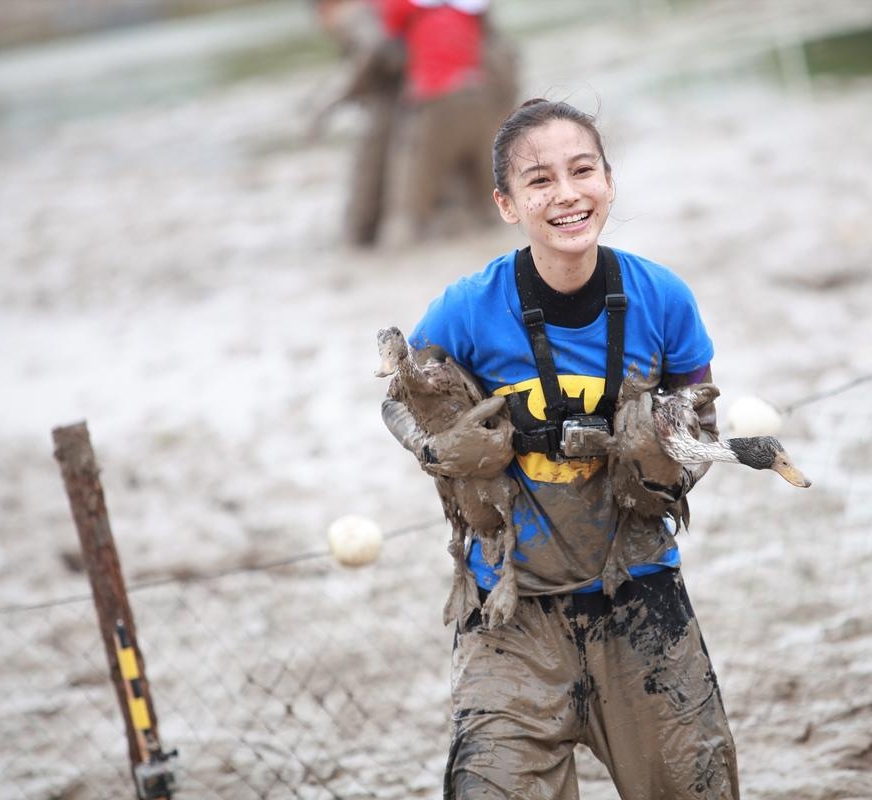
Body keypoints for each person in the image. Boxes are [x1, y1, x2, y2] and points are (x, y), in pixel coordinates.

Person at [380, 98, 740, 799]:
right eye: (540, 180)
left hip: (642, 601)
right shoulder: (465, 307)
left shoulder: (663, 298)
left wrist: (670, 451)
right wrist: (441, 449)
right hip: (510, 615)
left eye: (582, 171)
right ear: (507, 204)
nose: (567, 194)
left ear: (609, 180)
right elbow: (400, 401)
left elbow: (701, 422)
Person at [379, 0, 518, 245]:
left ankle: (390, 264)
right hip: (479, 95)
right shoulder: (471, 8)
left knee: (409, 210)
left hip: (437, 103)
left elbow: (387, 42)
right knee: (493, 201)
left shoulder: (401, 6)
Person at [307, 0, 405, 247]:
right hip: (409, 98)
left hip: (389, 104)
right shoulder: (371, 9)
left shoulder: (349, 15)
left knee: (366, 184)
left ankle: (358, 244)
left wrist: (345, 93)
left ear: (323, 9)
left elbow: (374, 47)